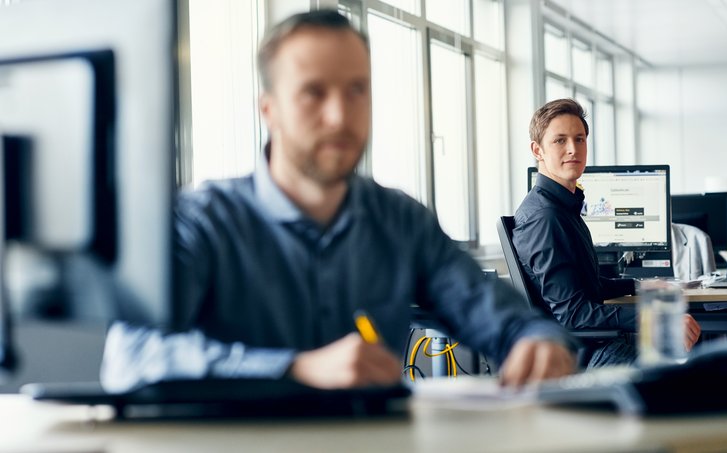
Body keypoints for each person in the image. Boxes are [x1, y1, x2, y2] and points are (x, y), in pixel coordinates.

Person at [100, 10, 578, 393]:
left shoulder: (400, 220)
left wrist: (535, 340)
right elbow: (131, 357)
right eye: (313, 93)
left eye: (357, 91)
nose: (339, 116)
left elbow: (498, 315)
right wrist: (294, 369)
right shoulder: (203, 221)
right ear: (269, 110)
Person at [513, 98, 701, 367]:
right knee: (699, 373)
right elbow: (574, 314)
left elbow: (587, 288)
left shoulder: (561, 207)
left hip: (594, 345)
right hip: (587, 354)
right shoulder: (546, 218)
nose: (572, 149)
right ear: (537, 150)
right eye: (560, 140)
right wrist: (659, 318)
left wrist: (641, 286)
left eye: (579, 139)